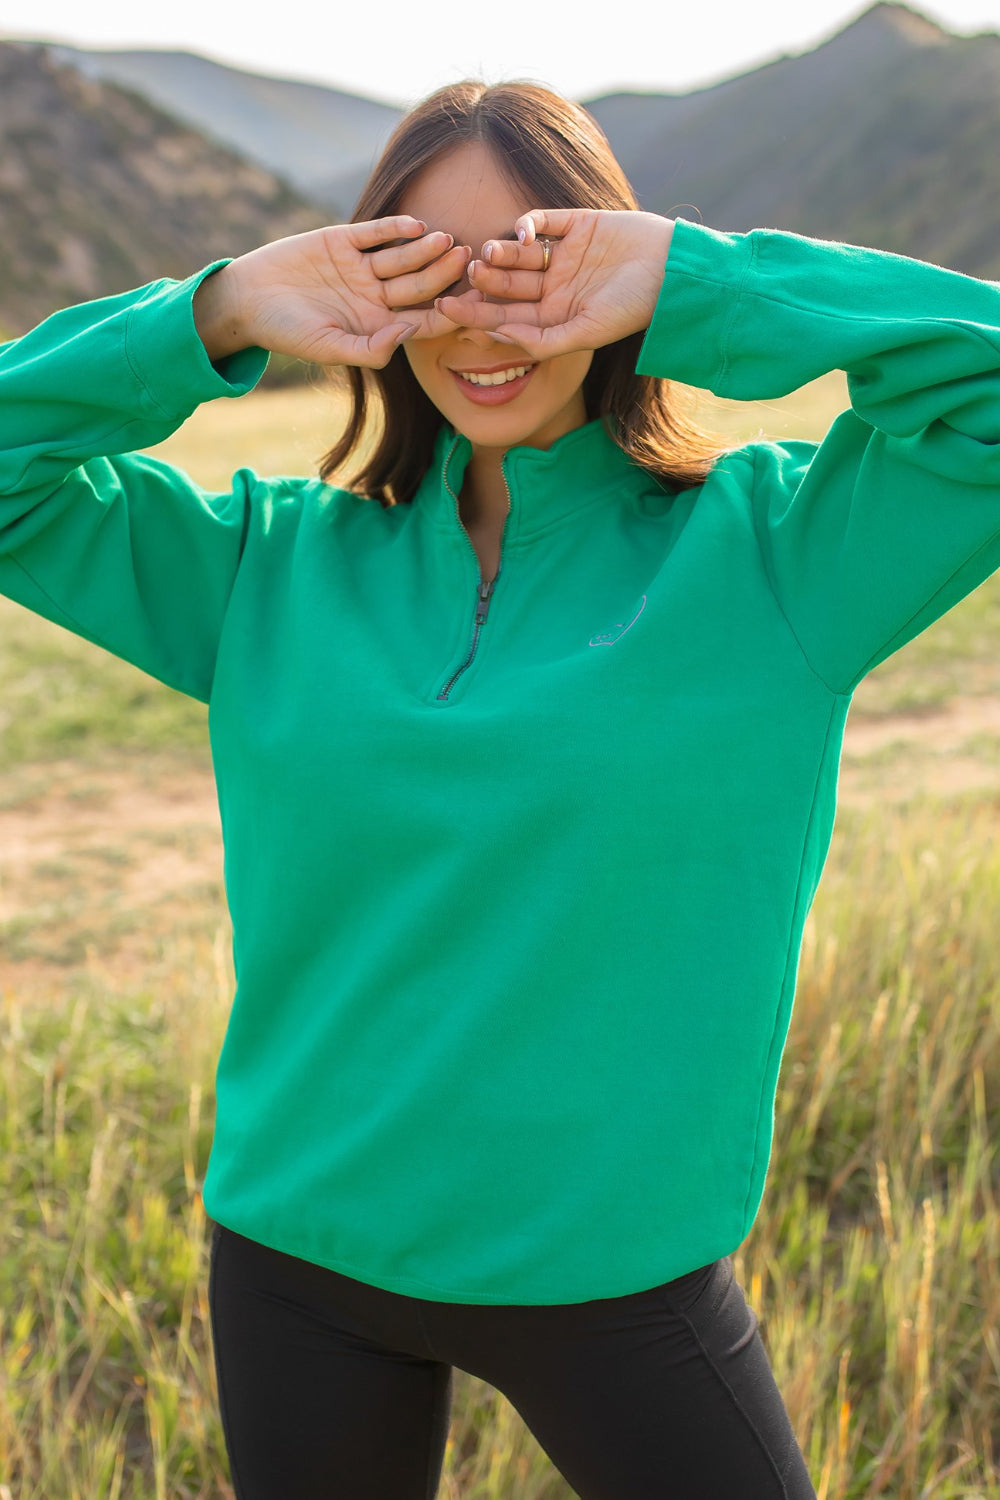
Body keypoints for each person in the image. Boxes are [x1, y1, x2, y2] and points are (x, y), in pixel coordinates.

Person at [2, 75, 999, 1500]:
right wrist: (215, 312)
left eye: (533, 264)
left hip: (615, 1277)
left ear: (611, 277)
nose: (480, 321)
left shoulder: (777, 553)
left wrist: (700, 280)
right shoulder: (265, 570)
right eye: (423, 272)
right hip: (298, 1259)